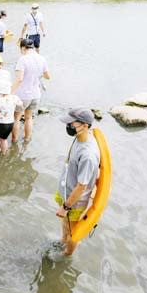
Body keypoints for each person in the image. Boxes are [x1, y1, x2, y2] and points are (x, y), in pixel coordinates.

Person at [55, 108, 100, 256]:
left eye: (71, 123)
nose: (68, 126)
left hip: (74, 203)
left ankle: (67, 255)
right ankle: (62, 241)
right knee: (66, 228)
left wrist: (65, 207)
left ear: (85, 125)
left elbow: (82, 186)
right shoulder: (81, 136)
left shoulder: (88, 155)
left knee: (73, 233)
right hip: (67, 191)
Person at [11, 38, 51, 142]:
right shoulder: (42, 58)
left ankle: (14, 141)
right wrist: (36, 74)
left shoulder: (23, 59)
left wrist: (10, 93)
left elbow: (19, 79)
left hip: (23, 95)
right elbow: (47, 76)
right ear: (32, 47)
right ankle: (27, 139)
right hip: (36, 95)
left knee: (16, 119)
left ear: (23, 48)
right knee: (29, 118)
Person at [0, 82, 23, 158]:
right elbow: (21, 106)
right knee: (4, 139)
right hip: (11, 123)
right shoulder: (15, 98)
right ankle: (4, 154)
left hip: (0, 123)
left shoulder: (0, 100)